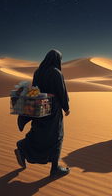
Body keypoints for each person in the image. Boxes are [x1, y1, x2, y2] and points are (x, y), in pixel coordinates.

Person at [15, 49, 70, 177]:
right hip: (53, 109)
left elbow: (34, 91)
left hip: (39, 107)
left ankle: (23, 147)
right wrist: (66, 107)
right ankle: (55, 168)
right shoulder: (56, 73)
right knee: (57, 136)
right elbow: (61, 92)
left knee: (38, 131)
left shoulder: (38, 72)